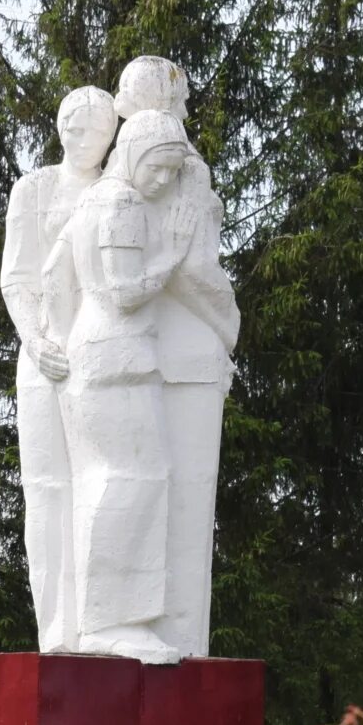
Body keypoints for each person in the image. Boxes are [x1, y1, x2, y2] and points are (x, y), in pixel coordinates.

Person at [52, 108, 195, 663]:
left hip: (97, 358)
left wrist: (60, 341)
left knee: (120, 479)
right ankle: (111, 623)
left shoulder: (91, 200)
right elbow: (125, 292)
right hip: (116, 359)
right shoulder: (121, 202)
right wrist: (174, 254)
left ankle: (109, 620)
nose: (160, 182)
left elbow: (53, 278)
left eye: (170, 174)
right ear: (132, 154)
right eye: (156, 168)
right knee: (133, 479)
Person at [113, 56, 237, 658]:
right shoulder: (181, 169)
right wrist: (230, 324)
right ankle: (170, 639)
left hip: (150, 355)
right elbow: (194, 268)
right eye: (181, 98)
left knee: (157, 496)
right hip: (180, 354)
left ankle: (167, 640)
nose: (186, 111)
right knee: (179, 502)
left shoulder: (121, 176)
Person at [0, 85, 117, 652]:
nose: (87, 141)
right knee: (47, 489)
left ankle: (100, 624)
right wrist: (34, 338)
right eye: (78, 129)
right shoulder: (35, 189)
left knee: (100, 485)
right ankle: (56, 632)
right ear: (61, 128)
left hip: (99, 357)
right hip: (43, 358)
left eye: (100, 133)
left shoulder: (116, 193)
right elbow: (17, 277)